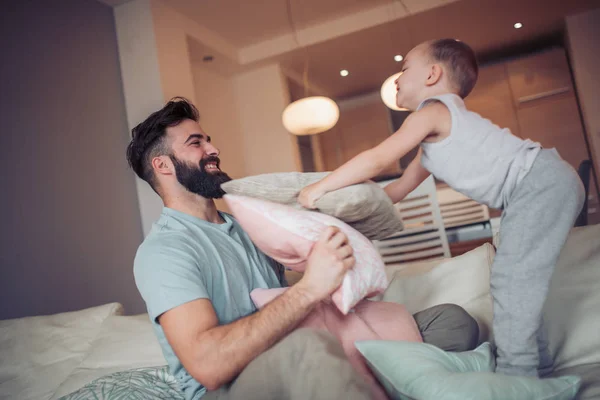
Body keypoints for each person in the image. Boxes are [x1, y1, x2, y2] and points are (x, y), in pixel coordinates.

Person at [126, 97, 480, 400]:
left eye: (208, 140)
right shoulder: (165, 252)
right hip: (230, 388)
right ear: (163, 165)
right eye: (195, 143)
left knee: (450, 323)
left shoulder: (249, 224)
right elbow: (209, 365)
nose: (212, 149)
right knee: (309, 349)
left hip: (296, 351)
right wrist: (310, 288)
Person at [298, 39, 585, 378]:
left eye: (404, 69)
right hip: (534, 188)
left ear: (433, 74)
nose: (396, 79)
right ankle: (536, 364)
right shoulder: (434, 140)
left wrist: (320, 187)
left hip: (540, 183)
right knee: (514, 280)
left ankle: (516, 375)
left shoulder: (433, 112)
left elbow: (378, 158)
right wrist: (350, 219)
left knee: (513, 279)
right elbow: (396, 190)